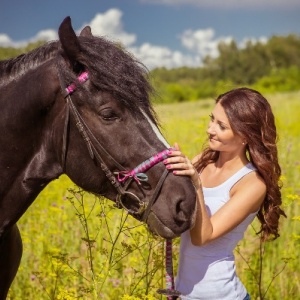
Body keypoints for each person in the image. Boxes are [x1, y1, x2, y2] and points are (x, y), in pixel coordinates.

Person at [163, 87, 286, 300]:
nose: (210, 129)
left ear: (245, 136)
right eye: (212, 119)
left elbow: (203, 237)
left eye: (221, 126)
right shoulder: (201, 162)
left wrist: (195, 184)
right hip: (184, 295)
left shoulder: (252, 183)